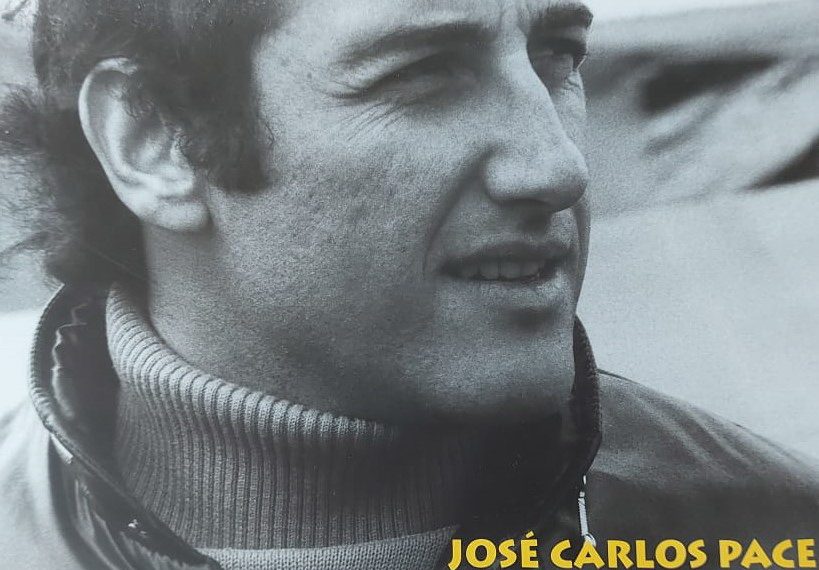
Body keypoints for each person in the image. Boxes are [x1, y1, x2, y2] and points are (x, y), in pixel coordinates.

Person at [0, 1, 816, 569]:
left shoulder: (771, 534)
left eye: (556, 57)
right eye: (422, 74)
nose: (557, 165)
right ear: (153, 140)